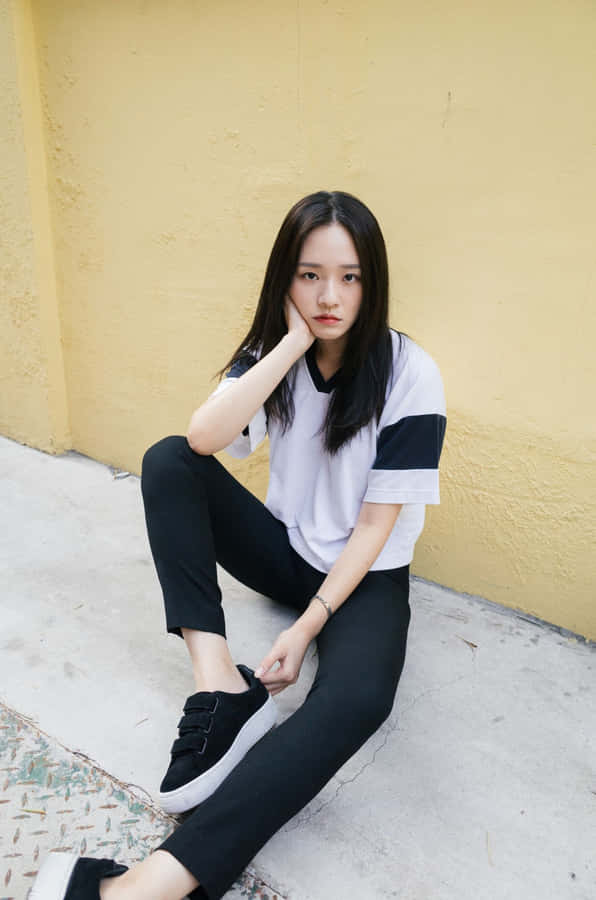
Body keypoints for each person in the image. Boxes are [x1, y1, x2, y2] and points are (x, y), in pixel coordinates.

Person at [31, 190, 447, 900]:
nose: (329, 296)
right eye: (309, 274)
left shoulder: (411, 374)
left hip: (366, 577)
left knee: (358, 699)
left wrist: (310, 626)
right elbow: (201, 441)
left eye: (349, 276)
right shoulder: (274, 354)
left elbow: (377, 530)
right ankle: (221, 685)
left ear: (372, 281)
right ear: (284, 277)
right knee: (168, 460)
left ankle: (148, 885)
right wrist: (288, 346)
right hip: (285, 550)